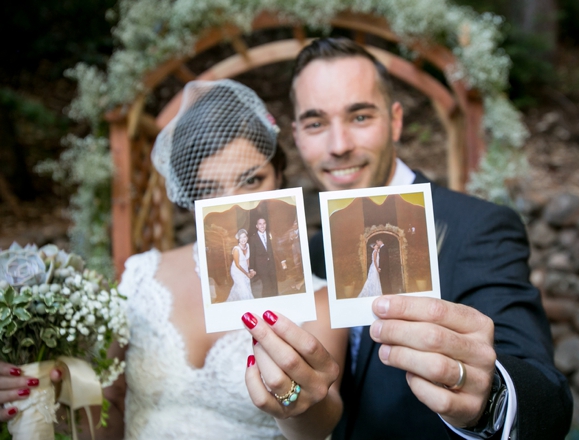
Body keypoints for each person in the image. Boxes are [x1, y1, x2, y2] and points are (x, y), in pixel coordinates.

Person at [0, 80, 346, 438]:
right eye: (209, 189)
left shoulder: (319, 303)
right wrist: (40, 397)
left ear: (278, 176)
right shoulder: (142, 276)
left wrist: (299, 404)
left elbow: (319, 423)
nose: (232, 203)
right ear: (189, 195)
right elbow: (110, 404)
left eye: (252, 180)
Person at [291, 38, 573, 439]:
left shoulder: (478, 227)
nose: (339, 146)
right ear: (298, 134)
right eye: (316, 123)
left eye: (360, 117)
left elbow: (544, 392)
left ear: (396, 121)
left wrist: (490, 398)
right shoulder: (312, 251)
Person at [249, 217, 279, 297]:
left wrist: (282, 261)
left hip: (272, 265)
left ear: (266, 225)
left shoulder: (270, 235)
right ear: (256, 226)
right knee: (266, 285)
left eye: (264, 223)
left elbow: (275, 248)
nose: (262, 226)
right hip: (261, 266)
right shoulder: (253, 239)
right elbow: (252, 255)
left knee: (274, 284)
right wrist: (251, 268)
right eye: (260, 224)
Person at [226, 228, 256, 302]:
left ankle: (231, 302)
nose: (243, 239)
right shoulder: (236, 249)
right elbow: (237, 265)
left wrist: (249, 271)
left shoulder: (248, 246)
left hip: (245, 268)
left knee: (242, 286)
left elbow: (247, 259)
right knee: (243, 288)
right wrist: (246, 274)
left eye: (244, 237)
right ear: (238, 239)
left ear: (247, 237)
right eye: (241, 237)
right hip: (237, 271)